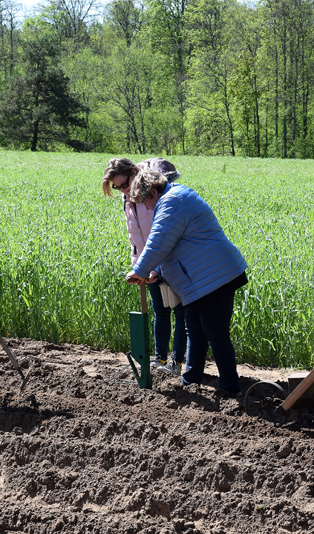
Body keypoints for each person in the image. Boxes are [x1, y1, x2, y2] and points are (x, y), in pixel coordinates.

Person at [125, 170, 247, 396]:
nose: (146, 207)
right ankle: (191, 380)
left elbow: (159, 243)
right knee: (195, 330)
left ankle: (231, 389)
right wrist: (157, 272)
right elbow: (174, 245)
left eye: (144, 201)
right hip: (201, 280)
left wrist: (139, 271)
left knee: (215, 334)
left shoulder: (173, 202)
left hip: (213, 278)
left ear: (153, 191)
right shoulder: (173, 199)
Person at [102, 157, 187, 375]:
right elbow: (135, 237)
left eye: (124, 184)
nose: (122, 190)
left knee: (179, 312)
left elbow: (166, 233)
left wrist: (156, 267)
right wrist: (140, 267)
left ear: (134, 172)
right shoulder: (127, 199)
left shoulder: (151, 194)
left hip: (168, 260)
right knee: (160, 311)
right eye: (117, 187)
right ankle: (159, 359)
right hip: (147, 265)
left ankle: (176, 363)